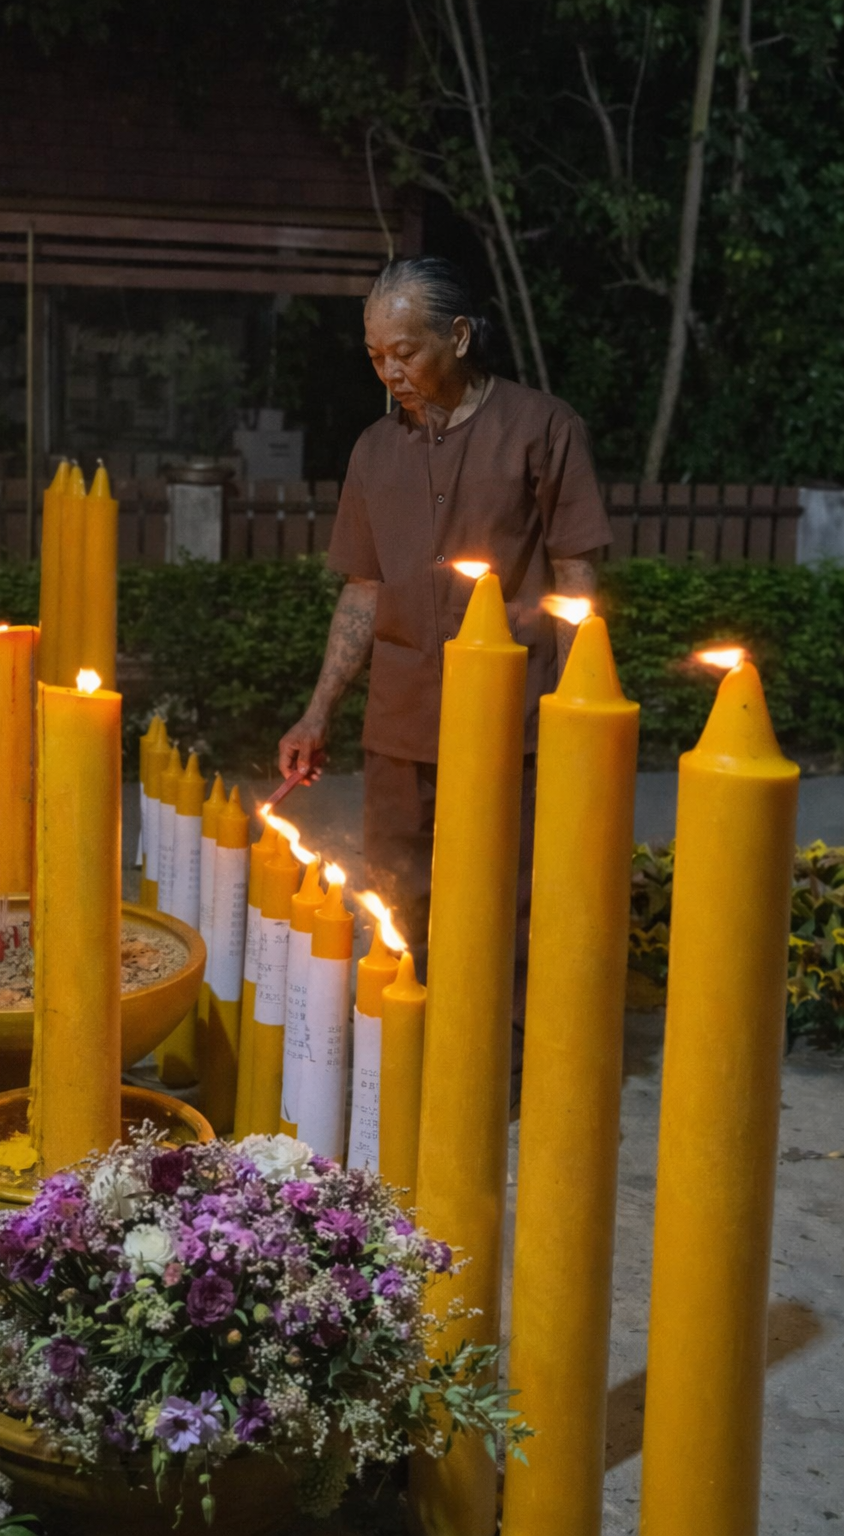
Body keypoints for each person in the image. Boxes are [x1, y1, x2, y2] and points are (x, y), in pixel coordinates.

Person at [278, 256, 612, 1107]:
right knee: (400, 888)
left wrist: (577, 707)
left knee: (515, 895)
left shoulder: (542, 428)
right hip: (400, 717)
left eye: (405, 352)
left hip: (514, 721)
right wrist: (319, 712)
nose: (389, 372)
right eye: (375, 355)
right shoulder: (373, 451)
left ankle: (511, 1068)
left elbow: (577, 572)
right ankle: (415, 1042)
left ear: (458, 337)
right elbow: (364, 587)